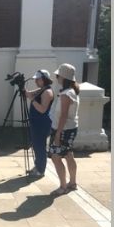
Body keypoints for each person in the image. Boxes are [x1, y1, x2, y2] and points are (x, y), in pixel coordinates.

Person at [48, 63, 80, 195]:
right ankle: (72, 183)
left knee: (56, 157)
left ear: (63, 77)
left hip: (63, 130)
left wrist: (57, 134)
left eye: (58, 75)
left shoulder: (67, 94)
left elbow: (64, 115)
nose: (56, 77)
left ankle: (63, 186)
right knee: (68, 154)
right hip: (70, 129)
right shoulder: (72, 92)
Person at [24, 69, 54, 177]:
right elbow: (28, 94)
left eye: (38, 79)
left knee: (40, 147)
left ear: (43, 80)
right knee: (36, 146)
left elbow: (42, 109)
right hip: (36, 123)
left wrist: (32, 99)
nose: (36, 81)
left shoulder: (47, 92)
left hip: (42, 124)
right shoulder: (42, 89)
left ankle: (40, 170)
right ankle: (38, 166)